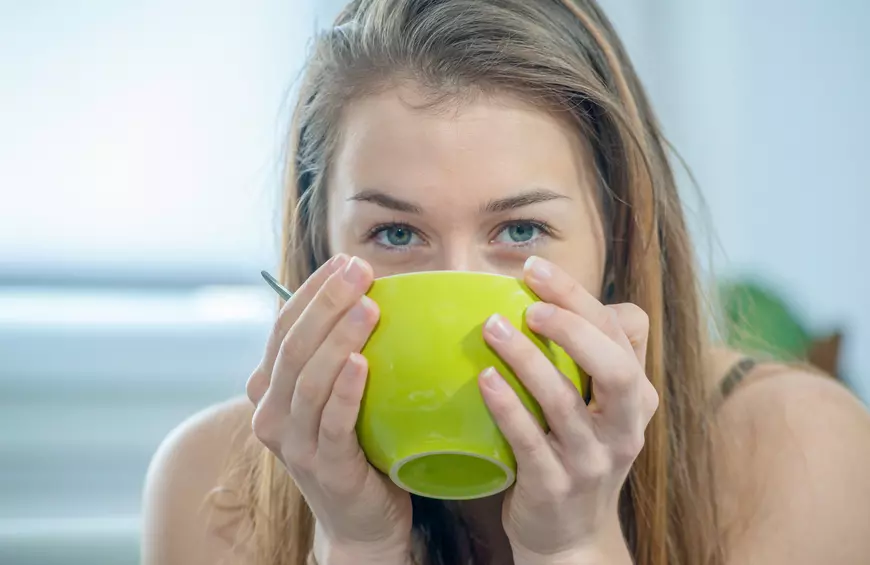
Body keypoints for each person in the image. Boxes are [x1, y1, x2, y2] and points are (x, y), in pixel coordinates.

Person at [140, 1, 870, 564]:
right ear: (316, 249)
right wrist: (355, 545)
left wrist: (574, 545)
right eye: (396, 234)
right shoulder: (208, 486)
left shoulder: (802, 450)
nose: (459, 287)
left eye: (520, 231)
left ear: (615, 237)